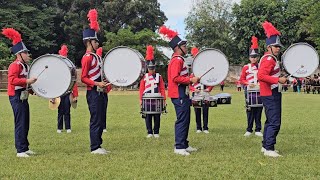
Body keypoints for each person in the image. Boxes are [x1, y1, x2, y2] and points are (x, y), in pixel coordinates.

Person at [159, 25, 199, 156]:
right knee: (182, 119)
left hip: (183, 93)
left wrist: (191, 78)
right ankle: (179, 146)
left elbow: (181, 77)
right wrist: (190, 80)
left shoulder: (179, 60)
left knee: (186, 119)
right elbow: (175, 78)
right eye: (184, 45)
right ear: (177, 47)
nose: (186, 48)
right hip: (179, 93)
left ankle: (184, 144)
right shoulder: (176, 60)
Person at [2, 28, 38, 157]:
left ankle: (24, 147)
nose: (28, 55)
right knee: (20, 122)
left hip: (23, 96)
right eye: (26, 53)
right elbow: (12, 80)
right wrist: (28, 80)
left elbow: (26, 83)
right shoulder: (15, 65)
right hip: (16, 97)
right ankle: (20, 150)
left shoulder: (26, 66)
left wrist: (33, 90)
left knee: (25, 121)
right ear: (19, 54)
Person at [81, 9, 109, 154]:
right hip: (93, 92)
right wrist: (97, 84)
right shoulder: (87, 57)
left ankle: (99, 144)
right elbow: (83, 78)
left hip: (100, 92)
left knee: (100, 118)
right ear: (89, 42)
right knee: (95, 119)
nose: (98, 43)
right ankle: (94, 147)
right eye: (95, 41)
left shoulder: (96, 57)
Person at [258, 21, 287, 157]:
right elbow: (261, 76)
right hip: (270, 93)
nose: (278, 49)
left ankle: (266, 145)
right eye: (276, 46)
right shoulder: (269, 58)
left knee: (270, 120)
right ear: (269, 47)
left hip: (269, 93)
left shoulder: (270, 58)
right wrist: (278, 80)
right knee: (275, 121)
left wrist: (279, 78)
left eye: (279, 47)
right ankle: (269, 148)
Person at [139, 45, 166, 138]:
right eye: (150, 68)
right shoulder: (144, 77)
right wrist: (140, 100)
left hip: (157, 98)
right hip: (146, 98)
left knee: (157, 116)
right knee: (148, 116)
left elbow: (162, 88)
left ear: (155, 68)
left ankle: (156, 131)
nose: (151, 70)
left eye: (153, 68)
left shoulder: (159, 77)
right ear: (147, 68)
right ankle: (149, 132)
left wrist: (164, 99)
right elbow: (141, 89)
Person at [240, 36, 263, 137]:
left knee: (259, 108)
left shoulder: (261, 66)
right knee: (249, 109)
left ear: (258, 57)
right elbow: (242, 79)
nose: (254, 58)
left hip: (259, 90)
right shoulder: (246, 67)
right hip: (249, 90)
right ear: (249, 57)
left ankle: (258, 129)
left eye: (255, 56)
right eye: (252, 57)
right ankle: (249, 129)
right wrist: (248, 84)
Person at [189, 47, 213, 134]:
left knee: (205, 111)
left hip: (205, 94)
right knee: (197, 111)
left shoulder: (206, 72)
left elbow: (211, 82)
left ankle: (205, 127)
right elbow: (189, 84)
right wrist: (193, 89)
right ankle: (198, 127)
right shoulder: (192, 74)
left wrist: (208, 89)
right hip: (196, 94)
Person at [56, 45, 78, 133]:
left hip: (68, 92)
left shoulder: (70, 68)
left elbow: (74, 82)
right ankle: (59, 128)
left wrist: (75, 95)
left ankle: (68, 127)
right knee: (60, 111)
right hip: (59, 93)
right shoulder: (57, 69)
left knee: (67, 110)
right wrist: (52, 96)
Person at [96, 47, 112, 133]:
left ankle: (104, 126)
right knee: (97, 110)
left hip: (104, 92)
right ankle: (98, 125)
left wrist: (107, 89)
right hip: (96, 91)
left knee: (103, 109)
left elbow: (108, 80)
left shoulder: (106, 71)